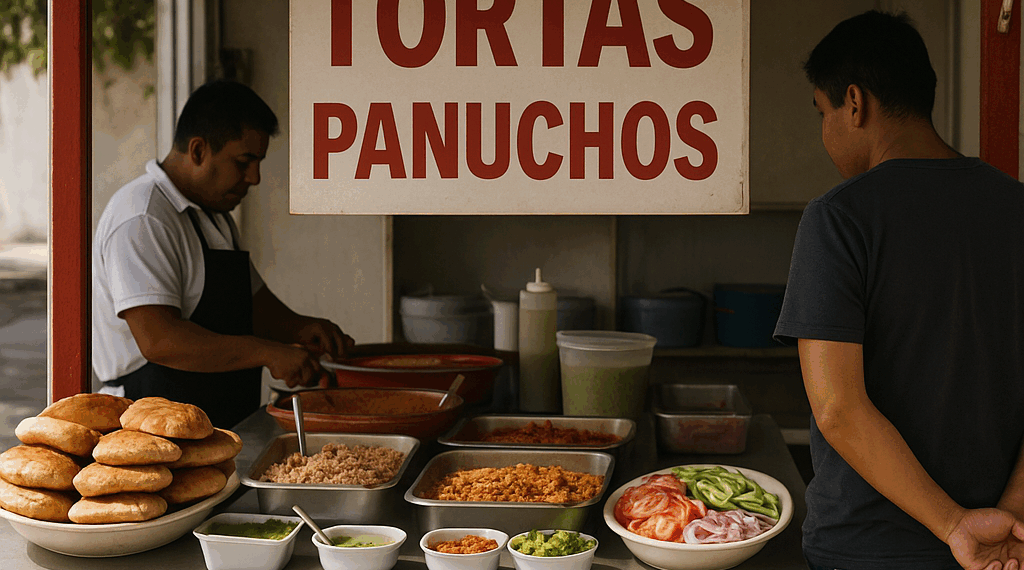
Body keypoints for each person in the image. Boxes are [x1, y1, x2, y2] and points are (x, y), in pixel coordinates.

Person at [773, 10, 1024, 570]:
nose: (825, 131)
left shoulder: (839, 218)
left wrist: (955, 525)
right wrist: (1010, 516)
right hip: (1004, 552)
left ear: (854, 104)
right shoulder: (1018, 209)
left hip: (866, 549)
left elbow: (838, 407)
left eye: (822, 112)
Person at [93, 79, 355, 428]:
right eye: (244, 161)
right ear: (198, 151)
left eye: (258, 162)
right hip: (148, 423)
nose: (255, 177)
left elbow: (252, 304)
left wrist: (302, 328)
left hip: (219, 421)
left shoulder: (214, 215)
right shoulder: (143, 216)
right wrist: (268, 352)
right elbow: (160, 341)